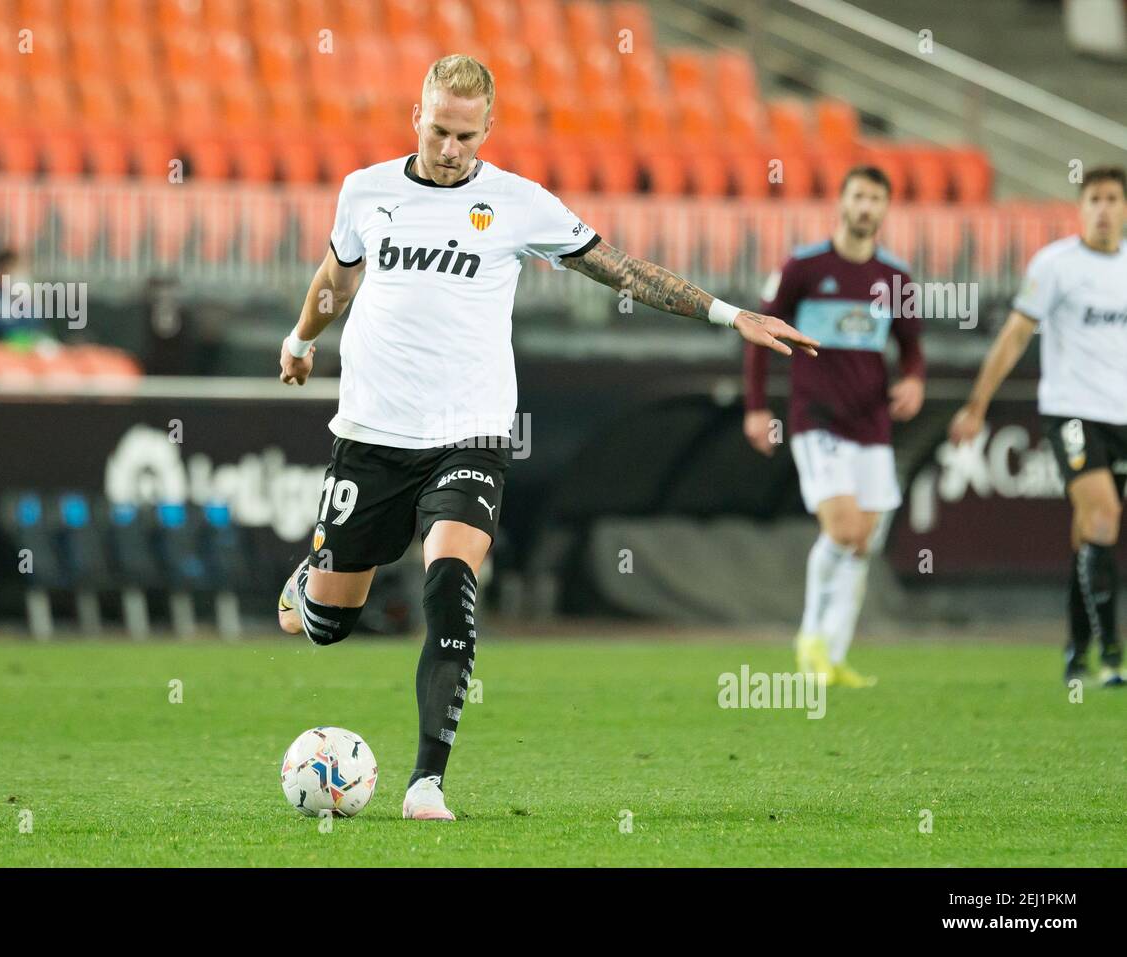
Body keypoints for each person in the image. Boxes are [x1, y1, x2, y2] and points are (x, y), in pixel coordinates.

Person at [274, 54, 819, 822]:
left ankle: (426, 780)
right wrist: (301, 339)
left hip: (471, 433)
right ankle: (311, 585)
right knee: (326, 626)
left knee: (449, 583)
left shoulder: (517, 204)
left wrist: (732, 316)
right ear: (416, 117)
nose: (450, 147)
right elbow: (338, 276)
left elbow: (623, 270)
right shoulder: (366, 192)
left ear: (487, 129)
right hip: (371, 434)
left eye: (466, 135)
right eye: (438, 130)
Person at [744, 166, 925, 688]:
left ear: (885, 209)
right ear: (842, 203)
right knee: (844, 530)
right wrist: (757, 407)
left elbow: (912, 349)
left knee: (863, 541)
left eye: (876, 198)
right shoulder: (803, 267)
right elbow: (758, 333)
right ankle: (811, 637)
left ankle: (835, 654)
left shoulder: (896, 278)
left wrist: (913, 381)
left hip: (871, 421)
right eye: (859, 196)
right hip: (815, 417)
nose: (866, 206)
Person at [949, 166, 1127, 687]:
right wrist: (977, 404)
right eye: (1093, 198)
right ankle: (1113, 656)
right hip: (1072, 411)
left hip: (1122, 416)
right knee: (1103, 516)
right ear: (1080, 207)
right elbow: (1015, 335)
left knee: (1090, 531)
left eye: (1113, 198)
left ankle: (1076, 651)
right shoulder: (1055, 265)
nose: (1103, 208)